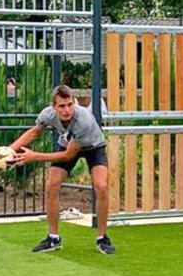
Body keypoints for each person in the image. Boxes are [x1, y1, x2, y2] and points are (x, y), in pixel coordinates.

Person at [9, 84, 114, 255]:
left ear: (74, 103)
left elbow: (67, 156)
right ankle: (53, 238)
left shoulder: (83, 120)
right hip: (66, 145)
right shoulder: (47, 114)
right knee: (51, 185)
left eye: (70, 105)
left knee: (101, 187)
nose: (66, 110)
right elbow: (34, 133)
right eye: (62, 106)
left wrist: (34, 156)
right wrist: (9, 150)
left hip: (94, 147)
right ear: (54, 107)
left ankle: (102, 238)